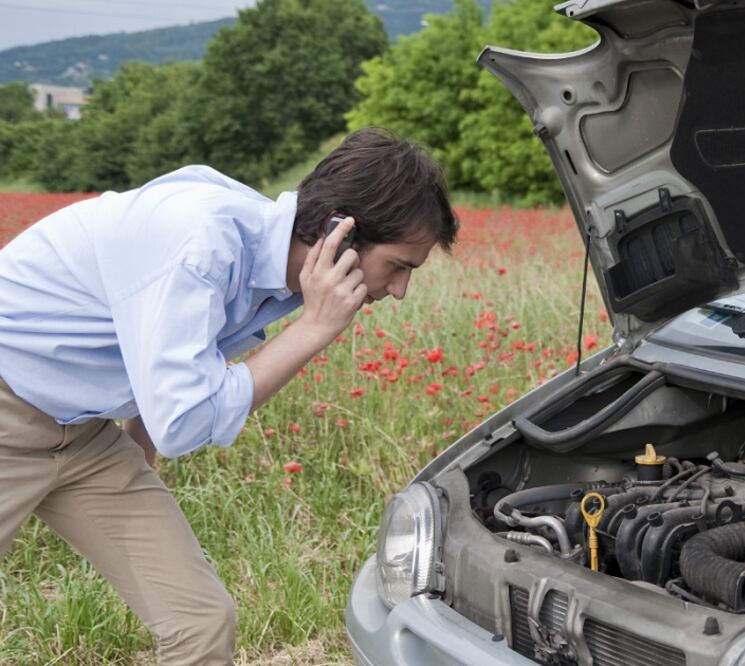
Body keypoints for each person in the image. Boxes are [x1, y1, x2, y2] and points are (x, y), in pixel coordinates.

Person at [0, 127, 458, 664]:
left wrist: (135, 448)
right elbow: (185, 422)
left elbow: (176, 354)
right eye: (399, 266)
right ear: (339, 233)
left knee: (200, 621)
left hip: (82, 437)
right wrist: (313, 329)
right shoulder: (202, 243)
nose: (399, 290)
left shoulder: (273, 264)